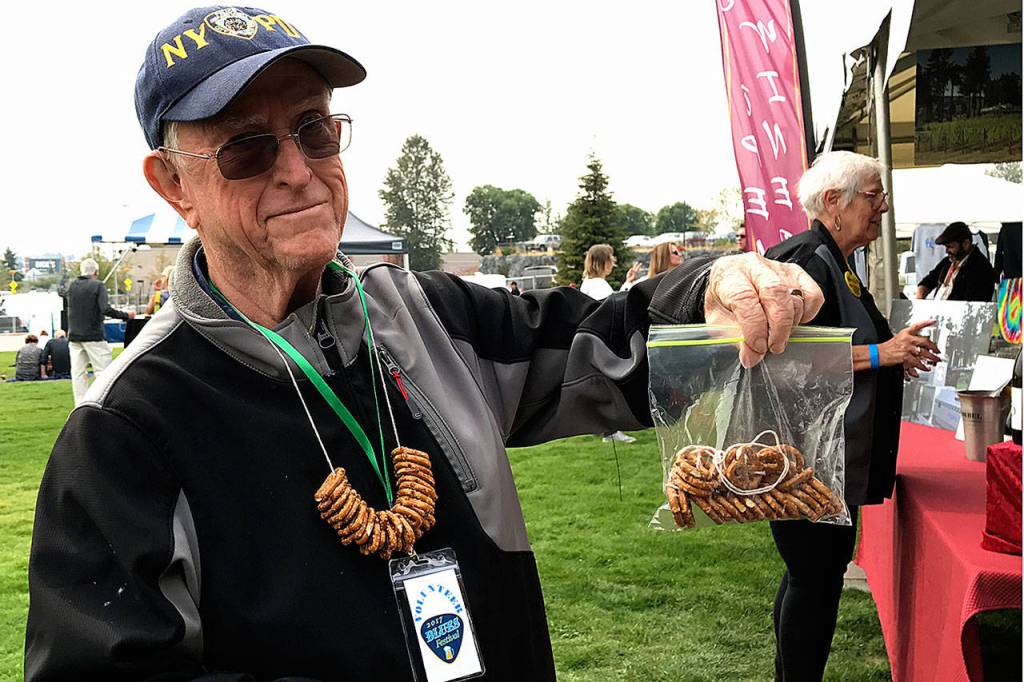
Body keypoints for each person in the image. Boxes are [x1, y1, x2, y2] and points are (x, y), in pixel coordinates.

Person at [25, 7, 824, 679]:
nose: (298, 170)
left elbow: (605, 347)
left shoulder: (431, 320)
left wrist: (717, 288)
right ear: (172, 184)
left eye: (315, 130)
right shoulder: (125, 430)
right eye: (248, 147)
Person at [766, 151, 942, 681]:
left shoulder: (834, 260)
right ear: (834, 202)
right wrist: (879, 356)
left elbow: (850, 345)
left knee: (811, 574)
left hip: (826, 456)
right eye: (873, 194)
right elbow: (779, 357)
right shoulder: (802, 259)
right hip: (806, 457)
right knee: (814, 577)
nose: (883, 206)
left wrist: (893, 354)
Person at [66, 257, 136, 404]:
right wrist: (126, 316)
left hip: (74, 335)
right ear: (96, 272)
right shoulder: (98, 286)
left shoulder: (72, 286)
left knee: (78, 373)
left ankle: (80, 404)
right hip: (93, 334)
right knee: (103, 371)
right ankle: (103, 402)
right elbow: (105, 309)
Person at [915, 221, 997, 302]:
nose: (947, 251)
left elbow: (974, 304)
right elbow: (929, 281)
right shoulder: (947, 262)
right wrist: (920, 294)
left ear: (966, 244)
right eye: (946, 247)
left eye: (950, 247)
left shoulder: (981, 269)